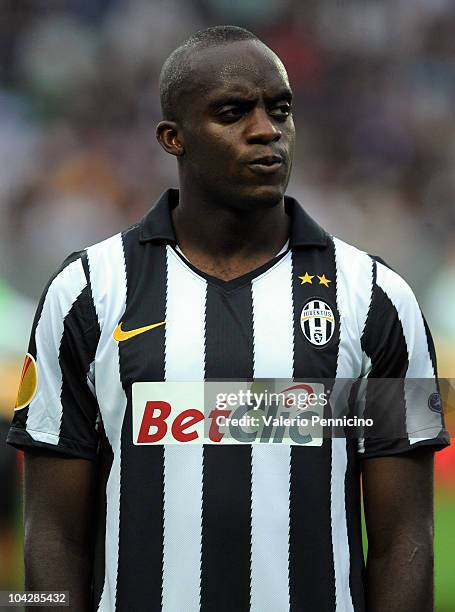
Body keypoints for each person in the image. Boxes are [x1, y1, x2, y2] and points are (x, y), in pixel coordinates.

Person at [7, 25, 450, 612]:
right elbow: (50, 533)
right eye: (233, 111)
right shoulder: (84, 292)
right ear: (173, 137)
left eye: (281, 109)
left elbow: (406, 541)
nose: (267, 130)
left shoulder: (379, 298)